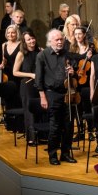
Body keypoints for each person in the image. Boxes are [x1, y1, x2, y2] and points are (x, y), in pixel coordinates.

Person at [35, 29, 77, 165]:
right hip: (51, 93)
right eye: (57, 40)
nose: (60, 42)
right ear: (50, 41)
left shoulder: (67, 55)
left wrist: (72, 72)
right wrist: (42, 96)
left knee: (69, 125)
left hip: (67, 93)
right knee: (55, 126)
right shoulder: (42, 55)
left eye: (61, 39)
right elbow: (38, 79)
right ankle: (52, 155)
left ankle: (65, 153)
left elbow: (75, 73)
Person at [12, 30, 41, 130]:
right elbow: (15, 72)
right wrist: (31, 75)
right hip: (27, 86)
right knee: (29, 112)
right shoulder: (21, 54)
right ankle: (32, 138)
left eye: (33, 38)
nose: (32, 41)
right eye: (28, 39)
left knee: (41, 110)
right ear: (24, 42)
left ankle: (41, 135)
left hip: (40, 85)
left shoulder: (40, 51)